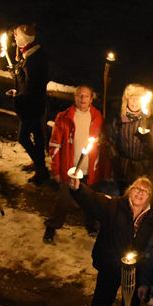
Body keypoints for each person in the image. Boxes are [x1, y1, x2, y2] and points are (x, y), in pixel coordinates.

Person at [69, 176, 153, 306]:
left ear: (150, 196)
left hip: (136, 270)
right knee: (102, 299)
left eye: (145, 191)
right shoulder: (114, 206)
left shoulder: (152, 218)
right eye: (136, 188)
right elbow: (92, 200)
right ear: (129, 190)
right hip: (111, 265)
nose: (140, 194)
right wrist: (78, 188)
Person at [43, 85, 110, 243]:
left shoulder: (97, 117)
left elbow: (103, 143)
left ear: (91, 99)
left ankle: (91, 224)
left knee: (91, 199)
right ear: (75, 97)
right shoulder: (64, 117)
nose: (83, 99)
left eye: (86, 96)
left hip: (90, 169)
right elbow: (55, 145)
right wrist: (57, 170)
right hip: (70, 169)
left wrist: (104, 168)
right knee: (63, 200)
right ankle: (52, 226)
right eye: (80, 95)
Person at [9, 23, 50, 183]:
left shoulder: (33, 61)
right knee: (38, 137)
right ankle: (38, 163)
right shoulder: (33, 55)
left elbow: (29, 86)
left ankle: (41, 168)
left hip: (31, 106)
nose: (15, 39)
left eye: (17, 36)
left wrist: (17, 74)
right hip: (36, 105)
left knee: (23, 138)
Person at [110, 83, 153, 189]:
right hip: (124, 167)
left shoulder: (151, 121)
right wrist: (116, 164)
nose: (134, 101)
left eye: (137, 98)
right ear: (126, 100)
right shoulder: (119, 120)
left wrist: (149, 142)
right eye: (131, 98)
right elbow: (111, 143)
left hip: (144, 168)